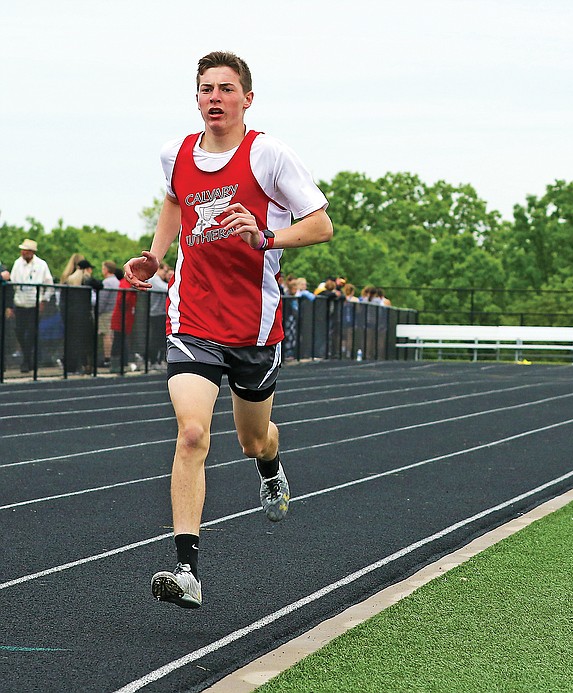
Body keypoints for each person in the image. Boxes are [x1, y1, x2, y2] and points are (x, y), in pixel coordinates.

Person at [123, 51, 333, 609]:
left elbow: (321, 224)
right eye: (206, 88)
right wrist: (155, 255)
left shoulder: (269, 155)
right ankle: (187, 570)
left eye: (226, 88)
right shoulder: (177, 155)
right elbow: (174, 201)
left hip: (254, 326)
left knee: (250, 438)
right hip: (192, 316)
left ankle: (270, 464)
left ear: (247, 98)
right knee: (192, 434)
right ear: (196, 98)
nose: (215, 97)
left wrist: (264, 236)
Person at [6, 239, 54, 372]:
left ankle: (27, 360)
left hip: (34, 304)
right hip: (20, 303)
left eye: (25, 250)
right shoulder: (17, 263)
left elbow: (49, 285)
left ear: (31, 252)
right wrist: (11, 304)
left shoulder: (41, 265)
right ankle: (27, 357)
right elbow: (13, 283)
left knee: (31, 332)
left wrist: (43, 300)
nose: (22, 252)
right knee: (19, 331)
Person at [147, 262, 170, 367]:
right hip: (156, 313)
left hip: (160, 313)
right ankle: (153, 361)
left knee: (161, 338)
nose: (165, 274)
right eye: (164, 271)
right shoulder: (154, 279)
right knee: (156, 338)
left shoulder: (159, 280)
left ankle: (159, 360)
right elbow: (166, 288)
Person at [97, 261, 120, 367]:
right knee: (111, 335)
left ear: (106, 270)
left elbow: (102, 299)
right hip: (115, 310)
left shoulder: (107, 282)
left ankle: (107, 358)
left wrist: (98, 310)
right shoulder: (117, 281)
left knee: (106, 335)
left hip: (106, 312)